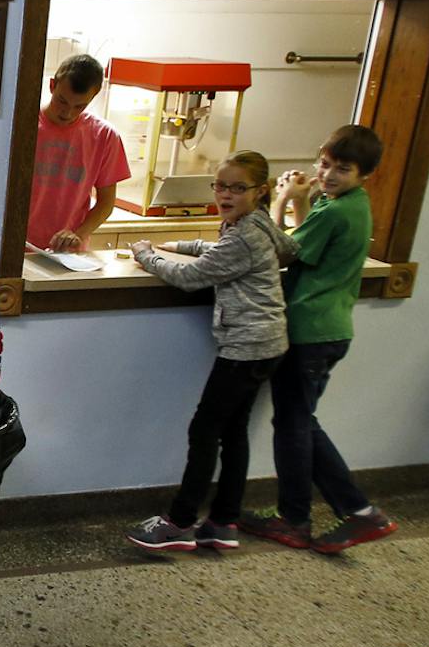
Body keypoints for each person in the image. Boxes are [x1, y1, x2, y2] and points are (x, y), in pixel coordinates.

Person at [126, 150, 295, 554]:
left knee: (204, 431)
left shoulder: (246, 235)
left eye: (238, 188)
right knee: (233, 433)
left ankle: (180, 522)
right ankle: (223, 520)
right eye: (220, 186)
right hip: (268, 344)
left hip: (246, 347)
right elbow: (272, 250)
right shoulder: (256, 226)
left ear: (261, 191)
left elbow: (191, 278)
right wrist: (179, 243)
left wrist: (146, 254)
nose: (226, 194)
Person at [242, 126, 399, 555]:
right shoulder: (352, 205)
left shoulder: (333, 211)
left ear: (365, 173)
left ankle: (303, 517)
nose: (328, 175)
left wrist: (278, 200)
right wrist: (301, 201)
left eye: (341, 169)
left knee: (294, 427)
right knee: (301, 423)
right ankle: (354, 511)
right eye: (325, 164)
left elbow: (276, 251)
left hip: (309, 331)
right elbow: (307, 244)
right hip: (332, 329)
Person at [25, 54, 129, 253]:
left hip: (68, 253)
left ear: (94, 96)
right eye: (62, 102)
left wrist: (78, 234)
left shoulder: (104, 136)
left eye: (79, 106)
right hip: (18, 248)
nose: (68, 113)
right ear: (52, 86)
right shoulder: (24, 125)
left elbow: (106, 203)